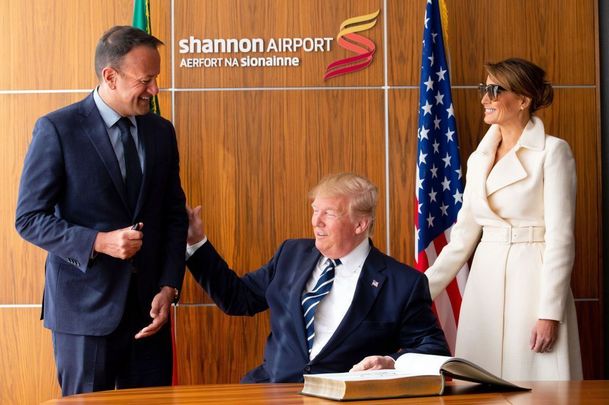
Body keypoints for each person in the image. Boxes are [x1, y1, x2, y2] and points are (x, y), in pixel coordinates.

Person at [15, 26, 188, 395]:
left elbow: (174, 214)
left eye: (156, 79)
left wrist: (169, 286)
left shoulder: (161, 132)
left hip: (149, 313)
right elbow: (28, 219)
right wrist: (98, 241)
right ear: (110, 76)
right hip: (83, 314)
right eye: (146, 80)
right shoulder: (57, 129)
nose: (155, 90)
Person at [186, 172, 449, 383]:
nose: (316, 221)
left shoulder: (402, 283)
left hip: (345, 400)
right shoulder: (290, 254)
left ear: (360, 225)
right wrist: (196, 243)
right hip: (273, 390)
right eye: (315, 210)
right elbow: (238, 299)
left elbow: (434, 349)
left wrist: (391, 362)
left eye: (329, 213)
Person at [424, 58, 582, 380]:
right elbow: (462, 241)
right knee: (478, 383)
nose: (485, 98)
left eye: (494, 90)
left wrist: (549, 313)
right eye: (485, 89)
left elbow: (561, 239)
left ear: (523, 100)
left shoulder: (553, 152)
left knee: (537, 385)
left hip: (533, 282)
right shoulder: (478, 158)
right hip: (485, 281)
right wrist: (417, 292)